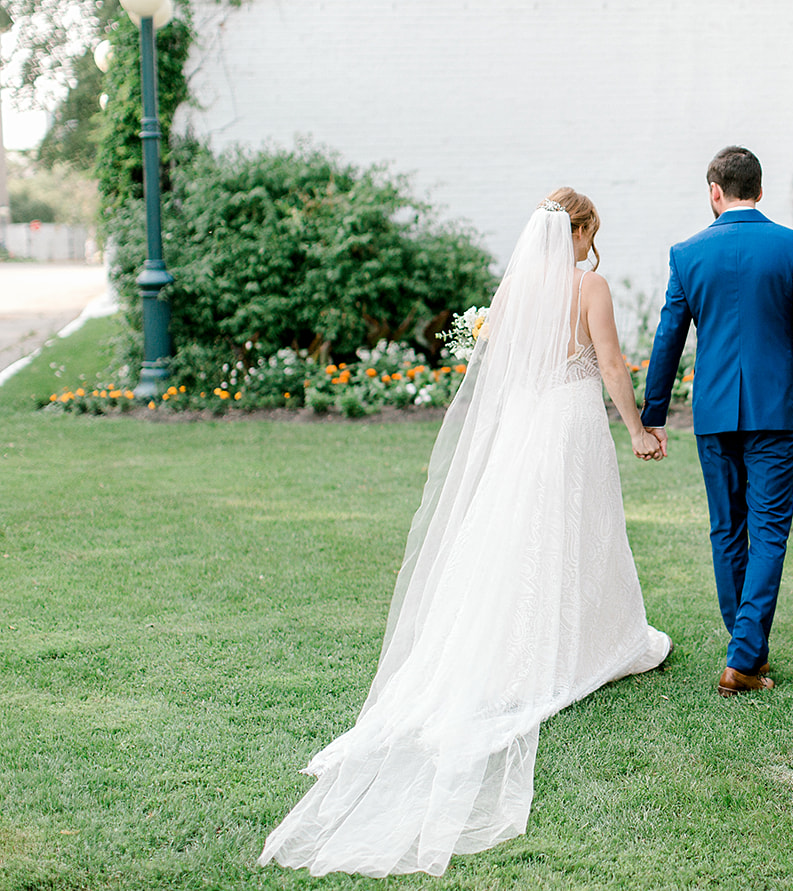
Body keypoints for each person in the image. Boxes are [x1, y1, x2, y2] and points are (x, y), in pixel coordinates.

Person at [259, 188, 672, 878]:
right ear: (577, 231)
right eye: (589, 233)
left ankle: (538, 644)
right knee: (580, 530)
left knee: (519, 537)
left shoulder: (515, 290)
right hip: (569, 423)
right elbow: (609, 363)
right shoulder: (588, 287)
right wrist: (636, 428)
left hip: (522, 426)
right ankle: (586, 645)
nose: (590, 246)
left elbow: (501, 364)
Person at [641, 146, 793, 697]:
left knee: (727, 529)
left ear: (715, 192)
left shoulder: (686, 253)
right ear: (760, 190)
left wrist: (654, 414)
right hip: (778, 410)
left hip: (715, 411)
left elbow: (668, 336)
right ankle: (744, 656)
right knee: (767, 531)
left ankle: (746, 652)